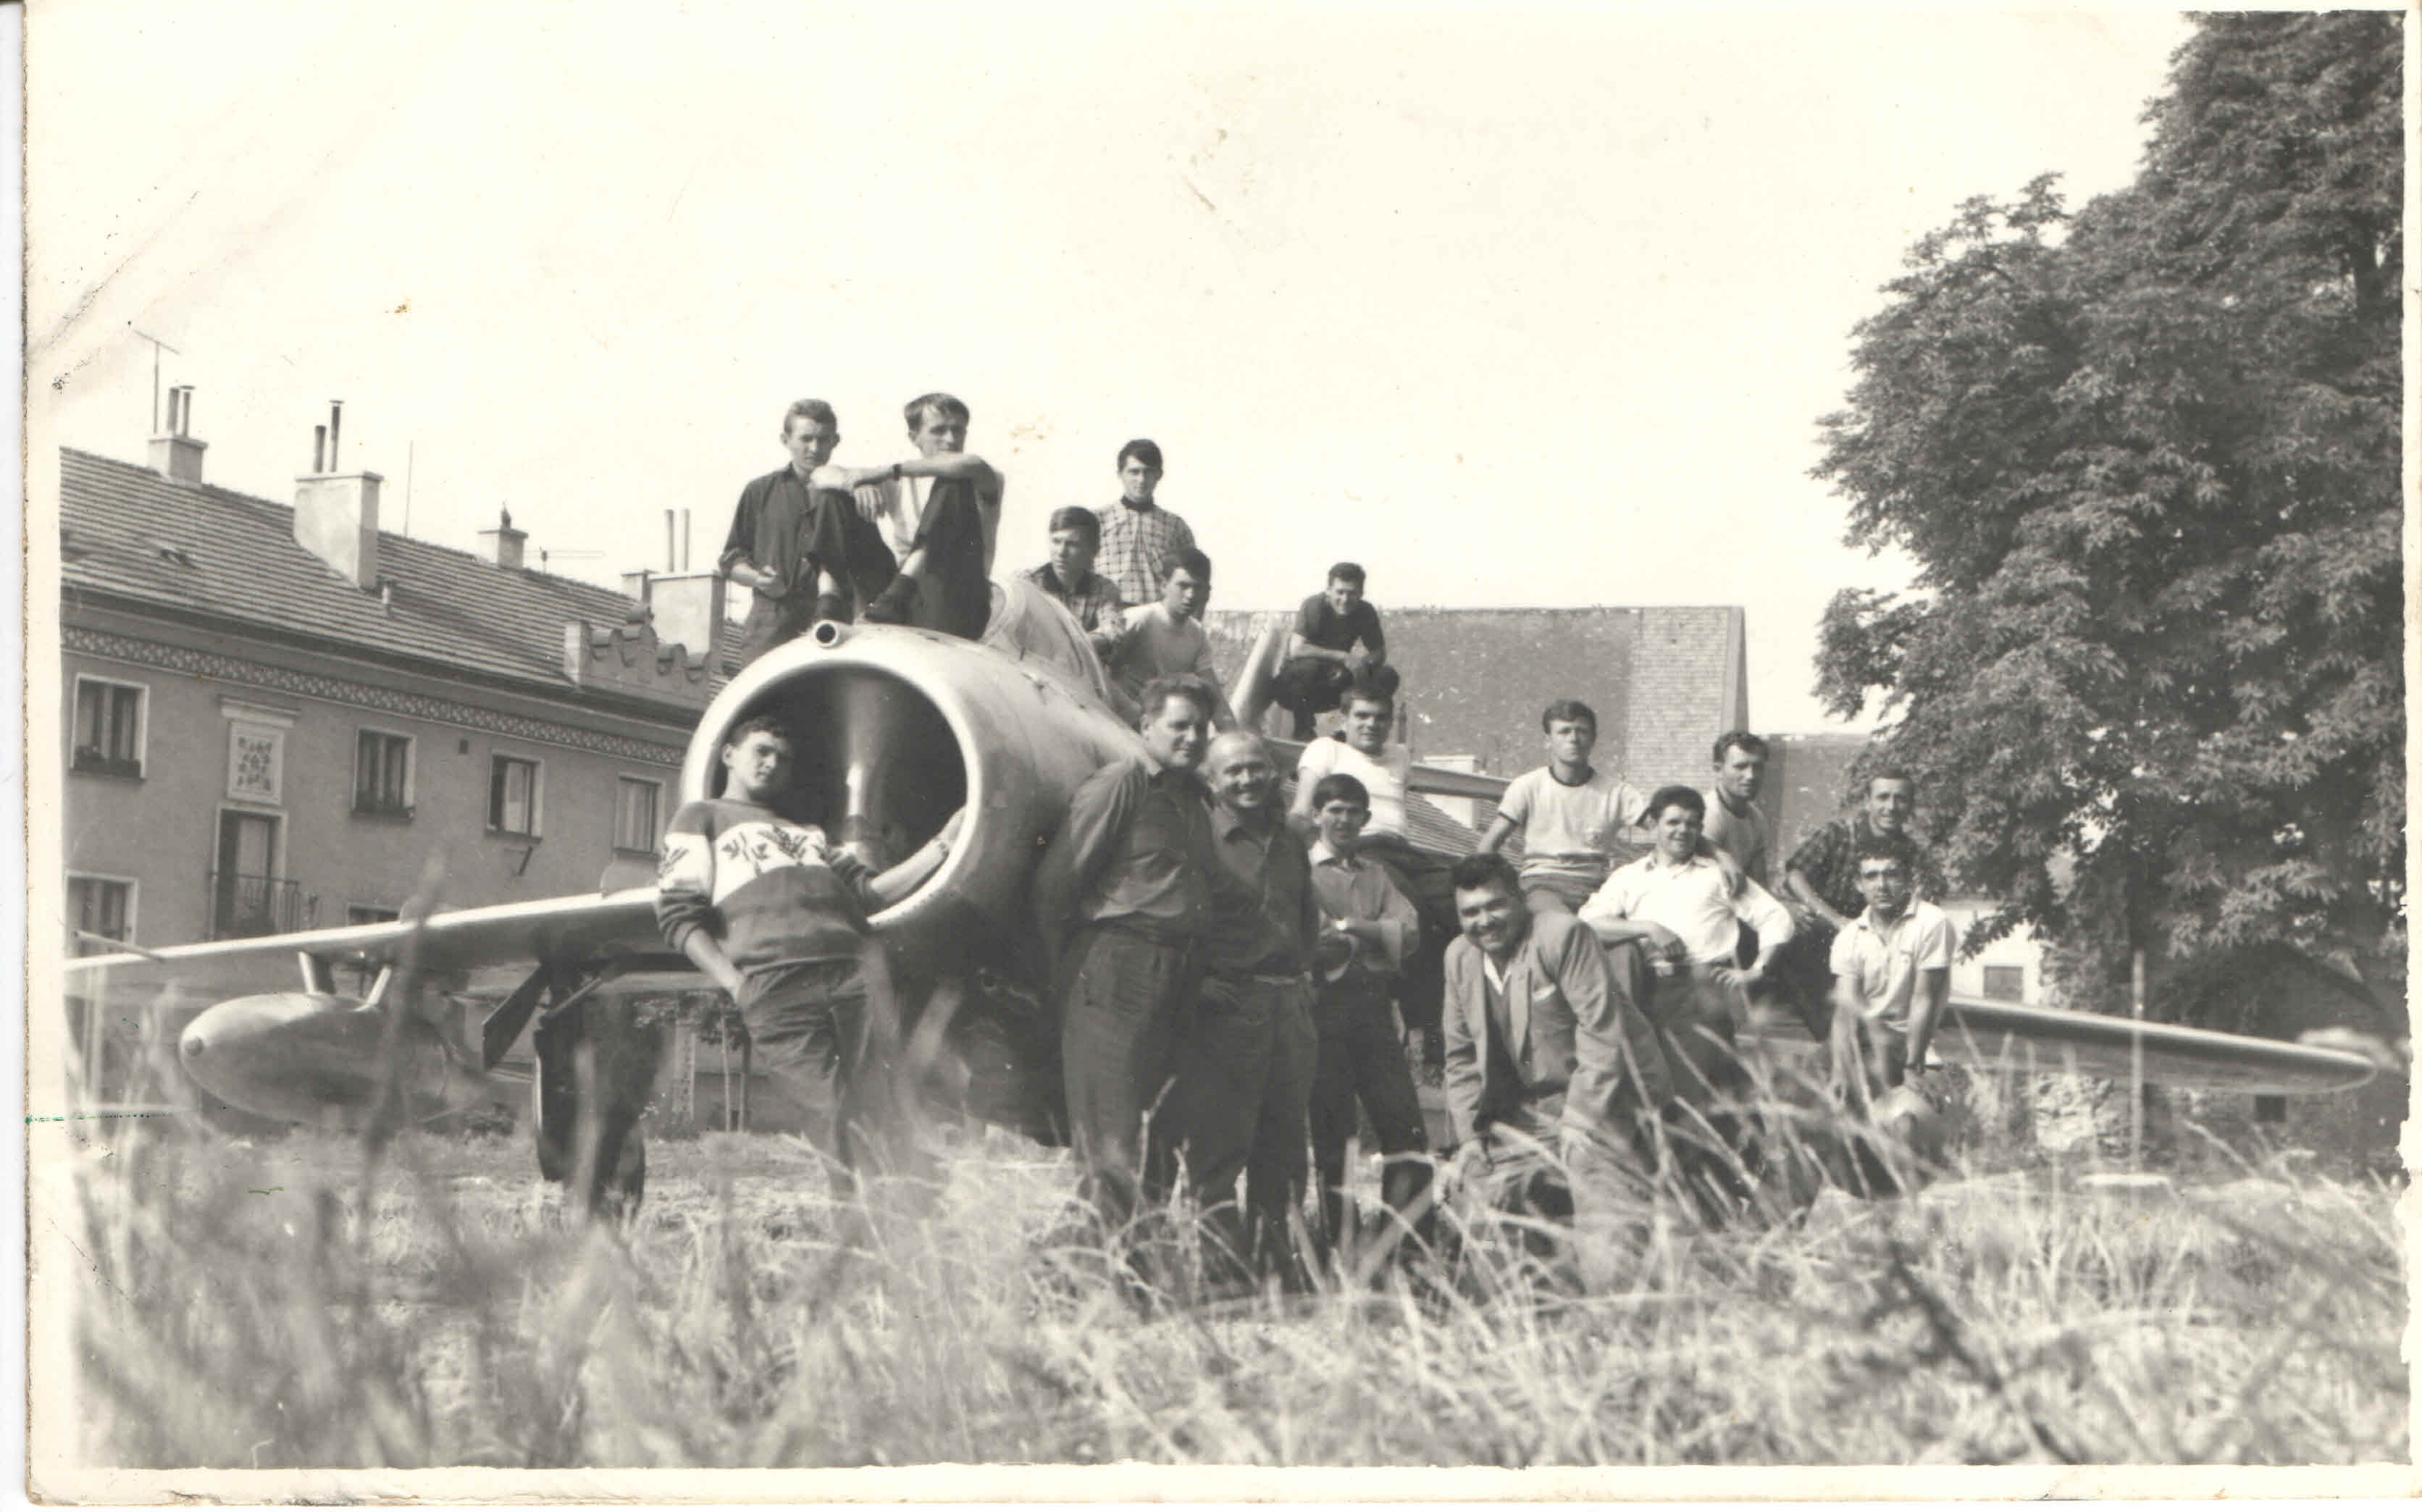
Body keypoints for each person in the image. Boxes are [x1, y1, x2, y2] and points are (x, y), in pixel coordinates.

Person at [655, 715, 953, 1190]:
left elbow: (870, 893)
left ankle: (902, 1220)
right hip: (775, 987)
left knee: (882, 1115)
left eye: (783, 758)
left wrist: (943, 845)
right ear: (729, 755)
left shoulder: (809, 832)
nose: (772, 764)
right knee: (831, 1118)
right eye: (762, 751)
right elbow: (678, 917)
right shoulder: (700, 818)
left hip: (853, 979)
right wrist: (736, 985)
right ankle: (860, 1224)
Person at [1031, 674, 1224, 1231]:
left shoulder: (1194, 800)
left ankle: (1140, 1260)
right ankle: (1095, 1267)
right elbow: (1055, 885)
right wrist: (1074, 975)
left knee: (1159, 1133)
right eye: (1179, 725)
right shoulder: (1121, 784)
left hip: (1180, 973)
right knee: (1112, 1138)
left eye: (1201, 728)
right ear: (1145, 726)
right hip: (1117, 966)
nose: (1192, 738)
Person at [1441, 854, 1674, 1269]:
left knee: (1602, 1210)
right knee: (1478, 1190)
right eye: (1470, 913)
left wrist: (1579, 1121)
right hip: (1530, 1110)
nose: (1485, 921)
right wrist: (1470, 1140)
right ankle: (1521, 1300)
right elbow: (1460, 1059)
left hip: (1606, 1097)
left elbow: (1602, 1033)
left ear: (1520, 900)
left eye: (1495, 906)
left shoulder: (1563, 935)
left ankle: (1617, 1301)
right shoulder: (1460, 957)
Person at [1578, 786, 1794, 1211]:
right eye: (1673, 822)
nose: (1683, 831)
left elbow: (1776, 917)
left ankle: (1708, 1199)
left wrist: (1757, 969)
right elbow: (1587, 923)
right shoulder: (1630, 877)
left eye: (1693, 824)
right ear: (1653, 825)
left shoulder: (1717, 875)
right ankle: (1661, 1196)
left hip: (1701, 991)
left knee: (1699, 1097)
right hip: (1647, 992)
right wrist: (1645, 927)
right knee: (1649, 1094)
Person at [1153, 731, 1319, 1283]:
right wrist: (1197, 982)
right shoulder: (1198, 838)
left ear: (1272, 771)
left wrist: (1303, 979)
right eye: (1233, 771)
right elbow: (1176, 917)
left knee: (1285, 1147)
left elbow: (1307, 916)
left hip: (1289, 1009)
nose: (1247, 780)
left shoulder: (1290, 840)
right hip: (1228, 1010)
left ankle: (1275, 1271)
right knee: (1219, 1150)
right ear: (1211, 778)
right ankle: (1220, 1276)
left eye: (1255, 768)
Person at [1288, 671, 1454, 1071]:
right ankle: (1424, 1032)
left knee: (1461, 900)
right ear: (1343, 719)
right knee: (1413, 914)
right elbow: (1302, 807)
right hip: (1364, 846)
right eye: (1362, 716)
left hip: (1405, 850)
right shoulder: (1325, 749)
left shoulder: (1400, 756)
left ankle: (1457, 1020)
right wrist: (1294, 853)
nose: (1371, 725)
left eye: (1381, 717)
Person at [1302, 773, 1430, 1256]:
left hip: (1375, 1010)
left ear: (1366, 818)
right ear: (1316, 815)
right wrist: (1378, 936)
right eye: (1334, 810)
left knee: (1404, 1127)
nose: (1344, 820)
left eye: (1353, 812)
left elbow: (1411, 931)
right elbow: (1319, 942)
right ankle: (1341, 1246)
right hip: (1323, 1010)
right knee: (1334, 1136)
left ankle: (1409, 1247)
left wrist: (1353, 925)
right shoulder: (1301, 871)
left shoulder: (1377, 875)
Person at [719, 400, 898, 667]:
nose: (814, 448)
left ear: (835, 441)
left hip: (832, 624)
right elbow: (731, 560)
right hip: (771, 624)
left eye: (823, 440)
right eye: (806, 439)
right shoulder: (760, 491)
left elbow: (871, 565)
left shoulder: (849, 498)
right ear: (785, 440)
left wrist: (856, 486)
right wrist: (758, 579)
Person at [1775, 769, 1950, 1035]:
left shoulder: (1912, 854)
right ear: (1868, 801)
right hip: (1824, 932)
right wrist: (1835, 919)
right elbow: (1795, 875)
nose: (1891, 807)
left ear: (1910, 806)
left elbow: (1922, 904)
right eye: (1883, 797)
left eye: (1900, 799)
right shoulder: (1839, 834)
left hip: (1873, 943)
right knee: (1835, 1018)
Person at [830, 392, 1005, 640]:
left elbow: (971, 465)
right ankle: (827, 606)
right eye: (939, 431)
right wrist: (855, 485)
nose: (951, 439)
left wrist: (886, 471)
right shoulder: (901, 480)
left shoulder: (982, 476)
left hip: (954, 593)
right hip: (902, 592)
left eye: (958, 430)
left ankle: (898, 593)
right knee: (833, 498)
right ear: (914, 438)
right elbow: (821, 475)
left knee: (954, 482)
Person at [1478, 700, 1654, 915]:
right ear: (1548, 741)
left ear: (1593, 739)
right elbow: (1487, 846)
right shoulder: (1527, 786)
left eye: (1582, 731)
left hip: (1598, 888)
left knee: (1632, 933)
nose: (1573, 739)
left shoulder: (1617, 792)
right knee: (1564, 926)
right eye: (1564, 732)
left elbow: (1663, 828)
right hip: (1542, 886)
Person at [1827, 843, 1956, 1103]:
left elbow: (1924, 998)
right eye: (1871, 876)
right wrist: (1839, 1072)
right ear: (1858, 884)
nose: (1881, 886)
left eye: (1891, 874)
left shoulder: (1932, 922)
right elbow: (1846, 1012)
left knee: (1905, 1115)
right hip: (1869, 1044)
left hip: (1916, 1043)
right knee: (1807, 1089)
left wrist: (1912, 1066)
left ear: (1909, 880)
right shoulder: (1849, 937)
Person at [1106, 547, 1233, 726]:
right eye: (1183, 586)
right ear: (1163, 585)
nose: (1191, 595)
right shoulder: (1139, 619)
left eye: (1198, 587)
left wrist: (1235, 735)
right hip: (1121, 719)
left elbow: (1215, 698)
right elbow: (1095, 664)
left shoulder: (1196, 634)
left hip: (1163, 723)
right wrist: (1127, 707)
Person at [1267, 563, 1388, 740]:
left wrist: (1362, 665)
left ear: (1361, 593)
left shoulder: (1365, 612)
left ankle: (1351, 731)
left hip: (1333, 684)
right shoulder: (1314, 606)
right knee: (1310, 668)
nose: (1345, 599)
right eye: (1340, 592)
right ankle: (1303, 731)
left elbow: (1379, 652)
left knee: (1386, 676)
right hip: (1294, 688)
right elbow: (1297, 649)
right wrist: (1343, 657)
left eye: (1352, 593)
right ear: (1329, 591)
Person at [1095, 439, 1197, 608]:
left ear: (1159, 475)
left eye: (1148, 472)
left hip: (1157, 613)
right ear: (1120, 474)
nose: (1141, 480)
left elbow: (1194, 578)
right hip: (1109, 612)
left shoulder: (1176, 527)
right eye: (1134, 472)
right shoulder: (1097, 520)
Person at [1022, 505, 1128, 659]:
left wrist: (1062, 646)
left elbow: (1112, 633)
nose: (1061, 552)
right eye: (1056, 541)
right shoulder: (1027, 582)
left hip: (1080, 670)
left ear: (1094, 550)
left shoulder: (1104, 589)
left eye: (1072, 544)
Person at [1700, 731, 1775, 889]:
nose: (1751, 776)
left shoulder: (1756, 818)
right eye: (1740, 767)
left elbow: (1759, 884)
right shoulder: (1706, 813)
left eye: (1758, 767)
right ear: (1718, 770)